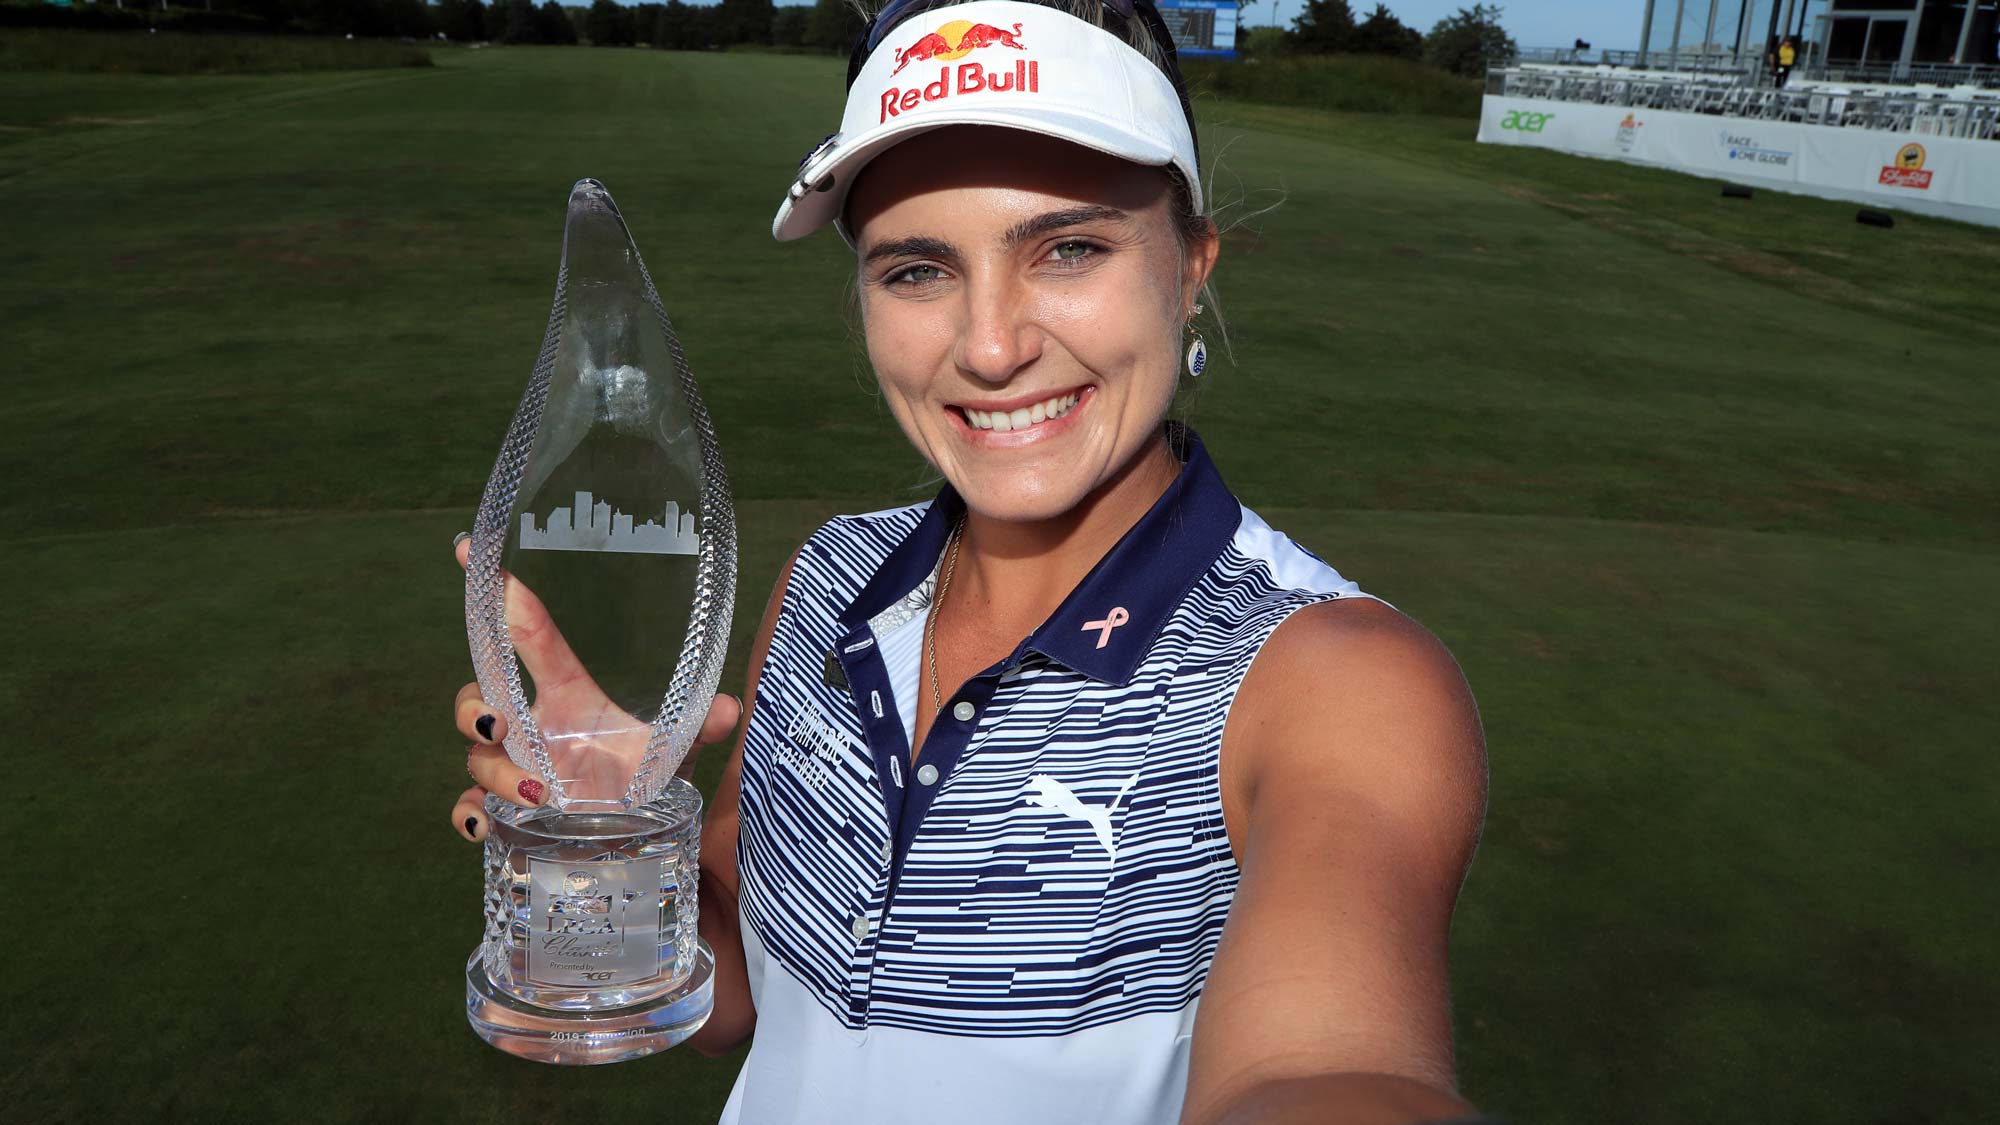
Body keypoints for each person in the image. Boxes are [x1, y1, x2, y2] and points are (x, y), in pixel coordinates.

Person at [449, 1, 1489, 1121]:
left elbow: (1329, 1072)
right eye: (915, 271)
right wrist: (611, 826)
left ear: (1190, 266)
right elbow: (741, 1005)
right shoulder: (825, 584)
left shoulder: (1334, 680)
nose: (990, 347)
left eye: (1069, 249)